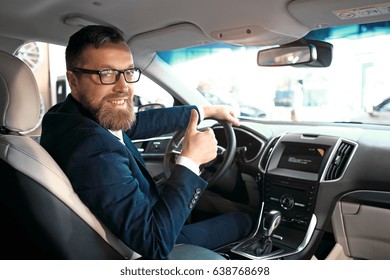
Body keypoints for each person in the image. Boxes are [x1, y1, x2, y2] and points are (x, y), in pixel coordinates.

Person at [40, 25, 253, 259]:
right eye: (106, 74)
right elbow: (154, 244)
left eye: (128, 72)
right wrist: (190, 161)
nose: (123, 87)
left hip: (136, 219)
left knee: (209, 203)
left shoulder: (62, 117)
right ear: (74, 81)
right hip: (146, 243)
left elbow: (135, 123)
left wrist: (206, 111)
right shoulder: (93, 149)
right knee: (243, 219)